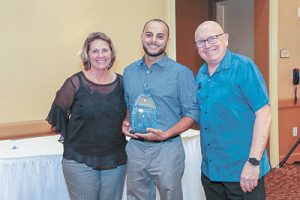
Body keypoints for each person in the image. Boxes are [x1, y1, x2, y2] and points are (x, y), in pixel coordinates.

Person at [122, 19, 199, 200]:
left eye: (160, 36)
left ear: (167, 41)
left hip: (168, 150)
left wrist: (166, 134)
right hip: (135, 148)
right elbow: (129, 106)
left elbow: (192, 113)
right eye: (149, 35)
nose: (153, 40)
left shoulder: (181, 73)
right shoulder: (129, 72)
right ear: (142, 37)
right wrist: (125, 122)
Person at [194, 21, 272, 200]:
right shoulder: (201, 74)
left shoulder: (244, 67)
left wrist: (253, 163)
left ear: (226, 39)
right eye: (201, 41)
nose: (207, 45)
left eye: (212, 38)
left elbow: (264, 114)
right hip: (211, 172)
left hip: (242, 171)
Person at [46, 32, 127, 200]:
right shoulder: (74, 83)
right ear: (87, 55)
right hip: (79, 161)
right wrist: (77, 137)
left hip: (115, 162)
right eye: (95, 51)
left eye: (105, 50)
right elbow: (56, 116)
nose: (100, 55)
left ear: (112, 54)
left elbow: (129, 112)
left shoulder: (122, 83)